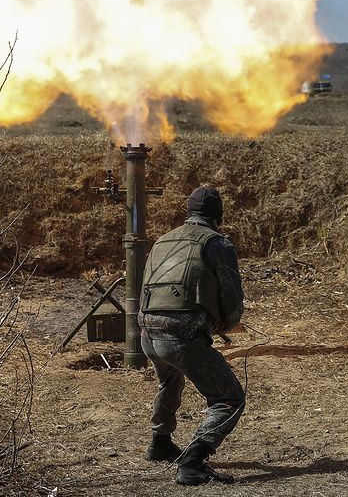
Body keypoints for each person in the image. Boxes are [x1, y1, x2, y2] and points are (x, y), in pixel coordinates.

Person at [139, 185, 245, 486]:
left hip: (147, 332)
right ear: (217, 216)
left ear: (188, 211)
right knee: (229, 398)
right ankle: (193, 462)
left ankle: (160, 443)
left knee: (170, 380)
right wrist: (223, 325)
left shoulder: (162, 240)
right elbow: (232, 301)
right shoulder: (217, 244)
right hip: (182, 337)